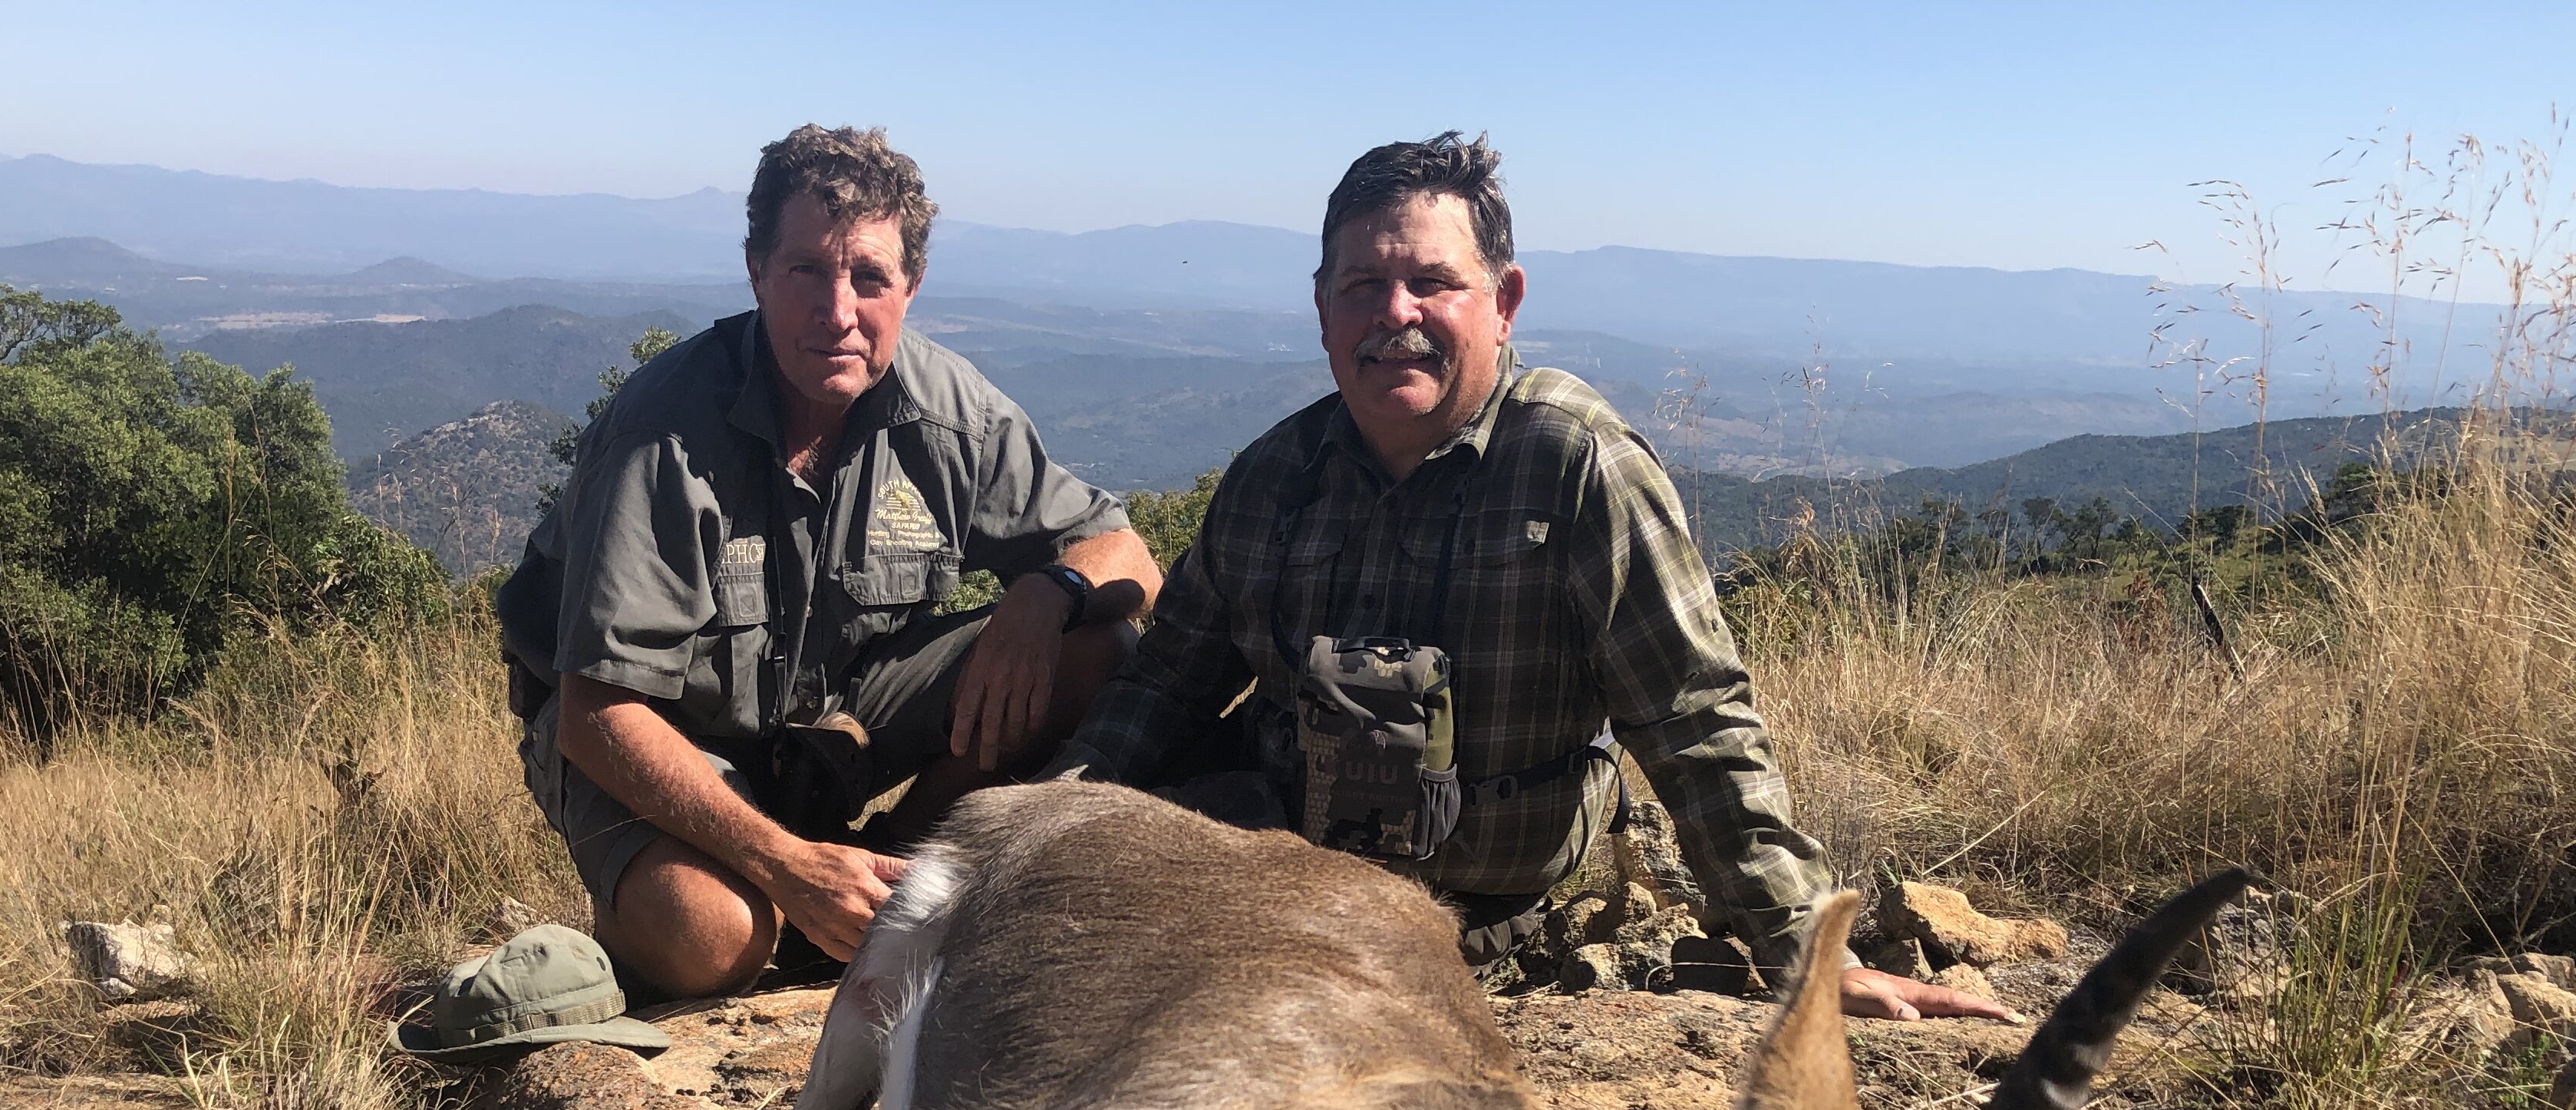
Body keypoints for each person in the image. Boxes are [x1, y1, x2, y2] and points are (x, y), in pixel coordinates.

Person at [1048, 133, 1997, 1021]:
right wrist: (1047, 822)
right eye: (1364, 285)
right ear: (1323, 306)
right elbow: (1168, 684)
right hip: (1289, 862)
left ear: (1504, 303)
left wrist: (1801, 946)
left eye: (1433, 282)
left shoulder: (1578, 467)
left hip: (1484, 900)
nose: (1395, 314)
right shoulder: (1271, 479)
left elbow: (1694, 715)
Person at [498, 124, 1161, 996]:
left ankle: (893, 874)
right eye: (807, 270)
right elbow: (597, 712)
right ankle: (661, 913)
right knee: (718, 941)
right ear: (756, 272)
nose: (838, 311)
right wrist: (783, 865)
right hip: (667, 737)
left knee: (1096, 646)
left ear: (912, 286)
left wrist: (1051, 590)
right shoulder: (663, 433)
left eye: (870, 278)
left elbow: (1130, 557)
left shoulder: (951, 413)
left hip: (834, 722)